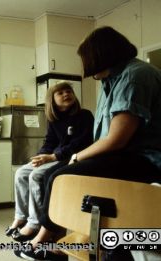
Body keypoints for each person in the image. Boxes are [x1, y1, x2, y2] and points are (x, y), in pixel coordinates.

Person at [15, 26, 161, 260]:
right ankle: (52, 240)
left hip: (144, 160)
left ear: (99, 55)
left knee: (61, 175)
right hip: (121, 156)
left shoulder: (136, 75)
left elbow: (116, 139)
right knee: (55, 173)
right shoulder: (111, 82)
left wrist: (77, 156)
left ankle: (43, 240)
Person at [6, 82, 94, 242]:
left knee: (36, 175)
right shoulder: (53, 120)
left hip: (73, 157)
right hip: (56, 155)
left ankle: (35, 223)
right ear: (52, 100)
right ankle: (20, 217)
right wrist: (39, 157)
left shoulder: (85, 115)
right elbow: (49, 142)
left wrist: (53, 157)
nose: (66, 94)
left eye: (68, 91)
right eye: (60, 93)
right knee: (21, 172)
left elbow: (79, 144)